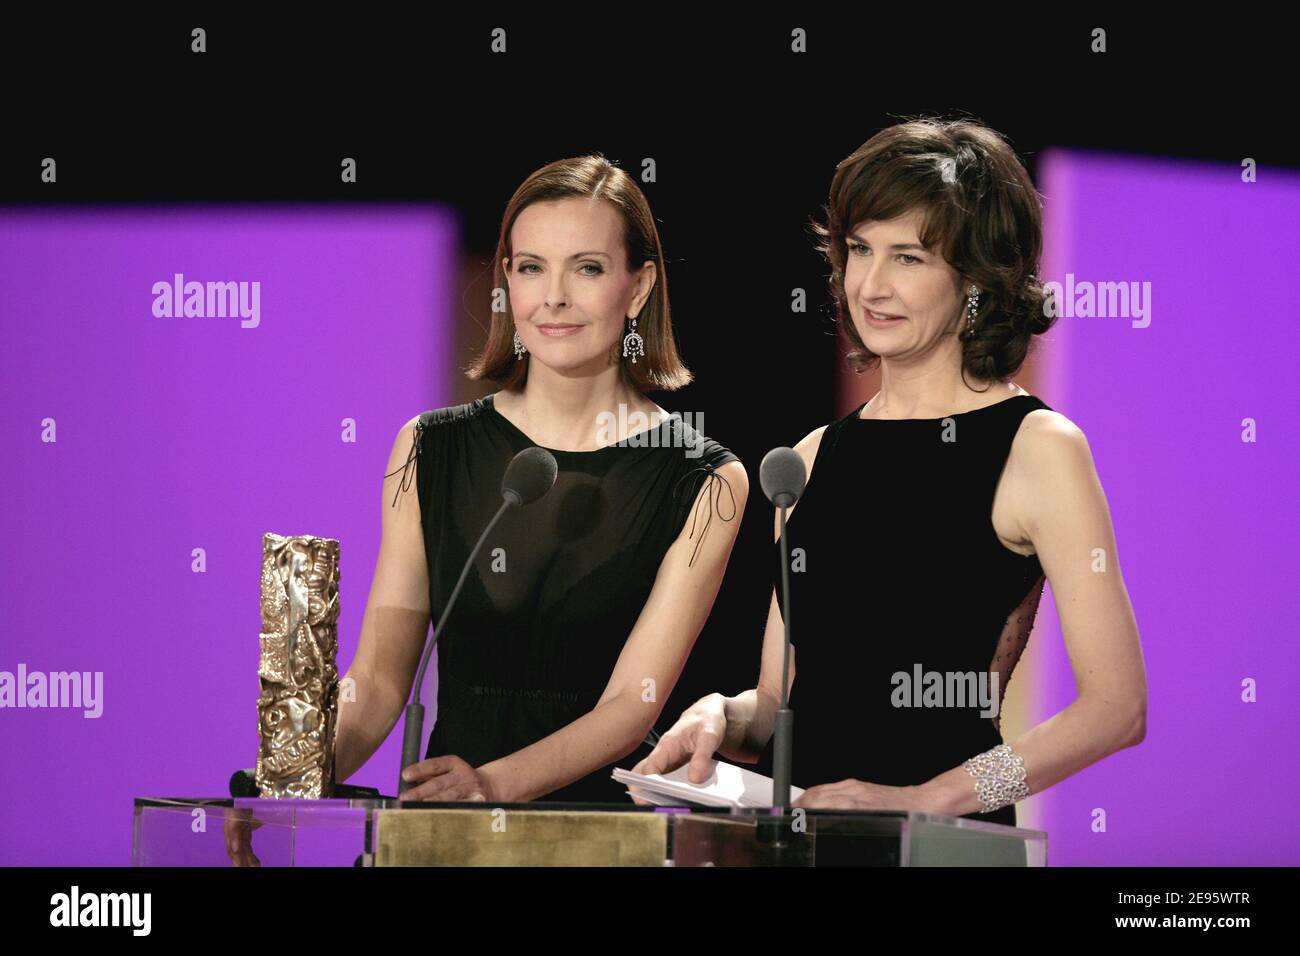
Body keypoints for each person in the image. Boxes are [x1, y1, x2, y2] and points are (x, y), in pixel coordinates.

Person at [226, 155, 747, 865]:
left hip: (593, 843)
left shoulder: (705, 479)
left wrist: (491, 787)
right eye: (531, 268)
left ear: (639, 287)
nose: (553, 298)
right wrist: (294, 777)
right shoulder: (430, 449)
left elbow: (632, 705)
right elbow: (379, 680)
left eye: (587, 269)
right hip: (442, 842)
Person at [633, 118, 1147, 830]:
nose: (869, 285)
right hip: (803, 840)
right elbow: (781, 701)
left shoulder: (1037, 447)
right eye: (858, 249)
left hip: (941, 847)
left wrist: (930, 800)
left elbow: (1116, 709)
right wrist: (723, 715)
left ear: (976, 276)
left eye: (907, 257)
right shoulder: (811, 457)